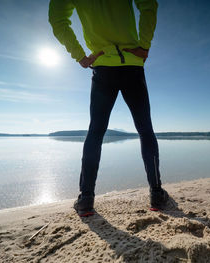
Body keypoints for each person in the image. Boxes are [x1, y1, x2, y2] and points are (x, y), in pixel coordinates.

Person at [49, 0, 168, 217]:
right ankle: (157, 195)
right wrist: (144, 45)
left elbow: (58, 21)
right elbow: (149, 5)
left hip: (103, 65)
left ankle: (86, 200)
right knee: (145, 129)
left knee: (95, 131)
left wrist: (80, 56)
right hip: (132, 63)